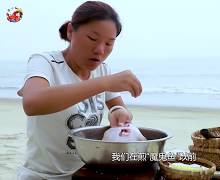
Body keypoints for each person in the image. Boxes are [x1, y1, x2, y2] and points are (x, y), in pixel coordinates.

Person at [17, 1, 142, 179]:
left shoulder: (102, 70)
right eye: (92, 38)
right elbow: (32, 103)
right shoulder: (45, 62)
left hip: (84, 174)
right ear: (70, 31)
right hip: (42, 175)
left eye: (109, 43)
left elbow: (119, 109)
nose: (100, 50)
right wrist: (103, 83)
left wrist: (118, 111)